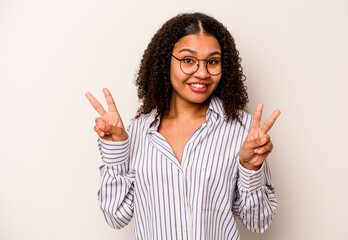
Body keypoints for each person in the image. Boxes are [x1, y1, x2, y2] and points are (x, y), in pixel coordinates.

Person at [86, 12, 280, 239]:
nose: (202, 73)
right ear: (164, 62)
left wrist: (250, 169)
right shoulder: (138, 132)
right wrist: (116, 151)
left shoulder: (243, 131)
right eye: (188, 60)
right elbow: (116, 216)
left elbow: (259, 222)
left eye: (212, 62)